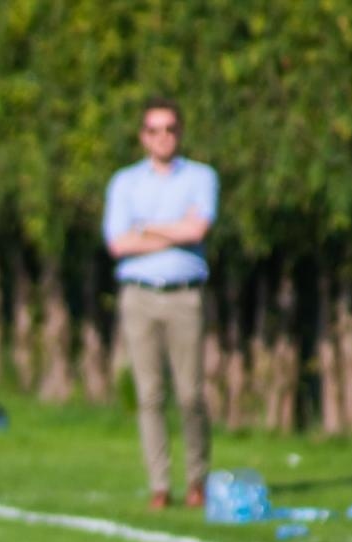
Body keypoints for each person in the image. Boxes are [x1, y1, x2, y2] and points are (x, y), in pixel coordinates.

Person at [103, 96, 219, 510]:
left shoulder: (201, 177)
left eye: (170, 129)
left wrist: (147, 228)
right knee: (149, 394)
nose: (163, 137)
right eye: (154, 130)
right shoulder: (124, 182)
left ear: (179, 133)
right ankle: (159, 484)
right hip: (138, 296)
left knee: (190, 394)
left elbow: (198, 229)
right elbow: (118, 243)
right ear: (143, 136)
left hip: (184, 295)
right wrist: (175, 229)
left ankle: (197, 480)